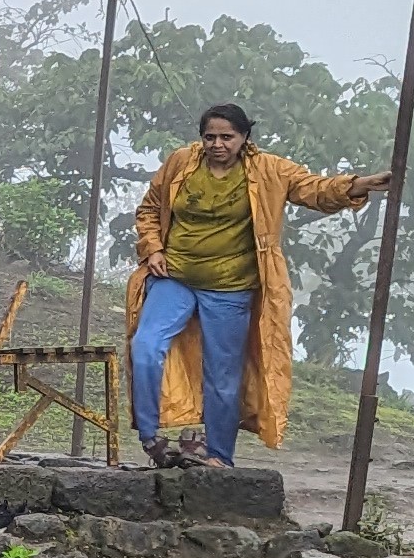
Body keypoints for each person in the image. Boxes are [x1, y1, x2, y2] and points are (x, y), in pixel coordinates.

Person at [123, 104, 390, 467]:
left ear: (245, 137)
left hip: (231, 287)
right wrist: (152, 248)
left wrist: (357, 185)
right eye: (210, 137)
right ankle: (151, 436)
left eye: (226, 137)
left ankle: (218, 456)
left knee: (223, 374)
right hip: (175, 277)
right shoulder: (180, 163)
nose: (217, 144)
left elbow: (312, 188)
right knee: (146, 345)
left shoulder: (268, 169)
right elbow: (150, 209)